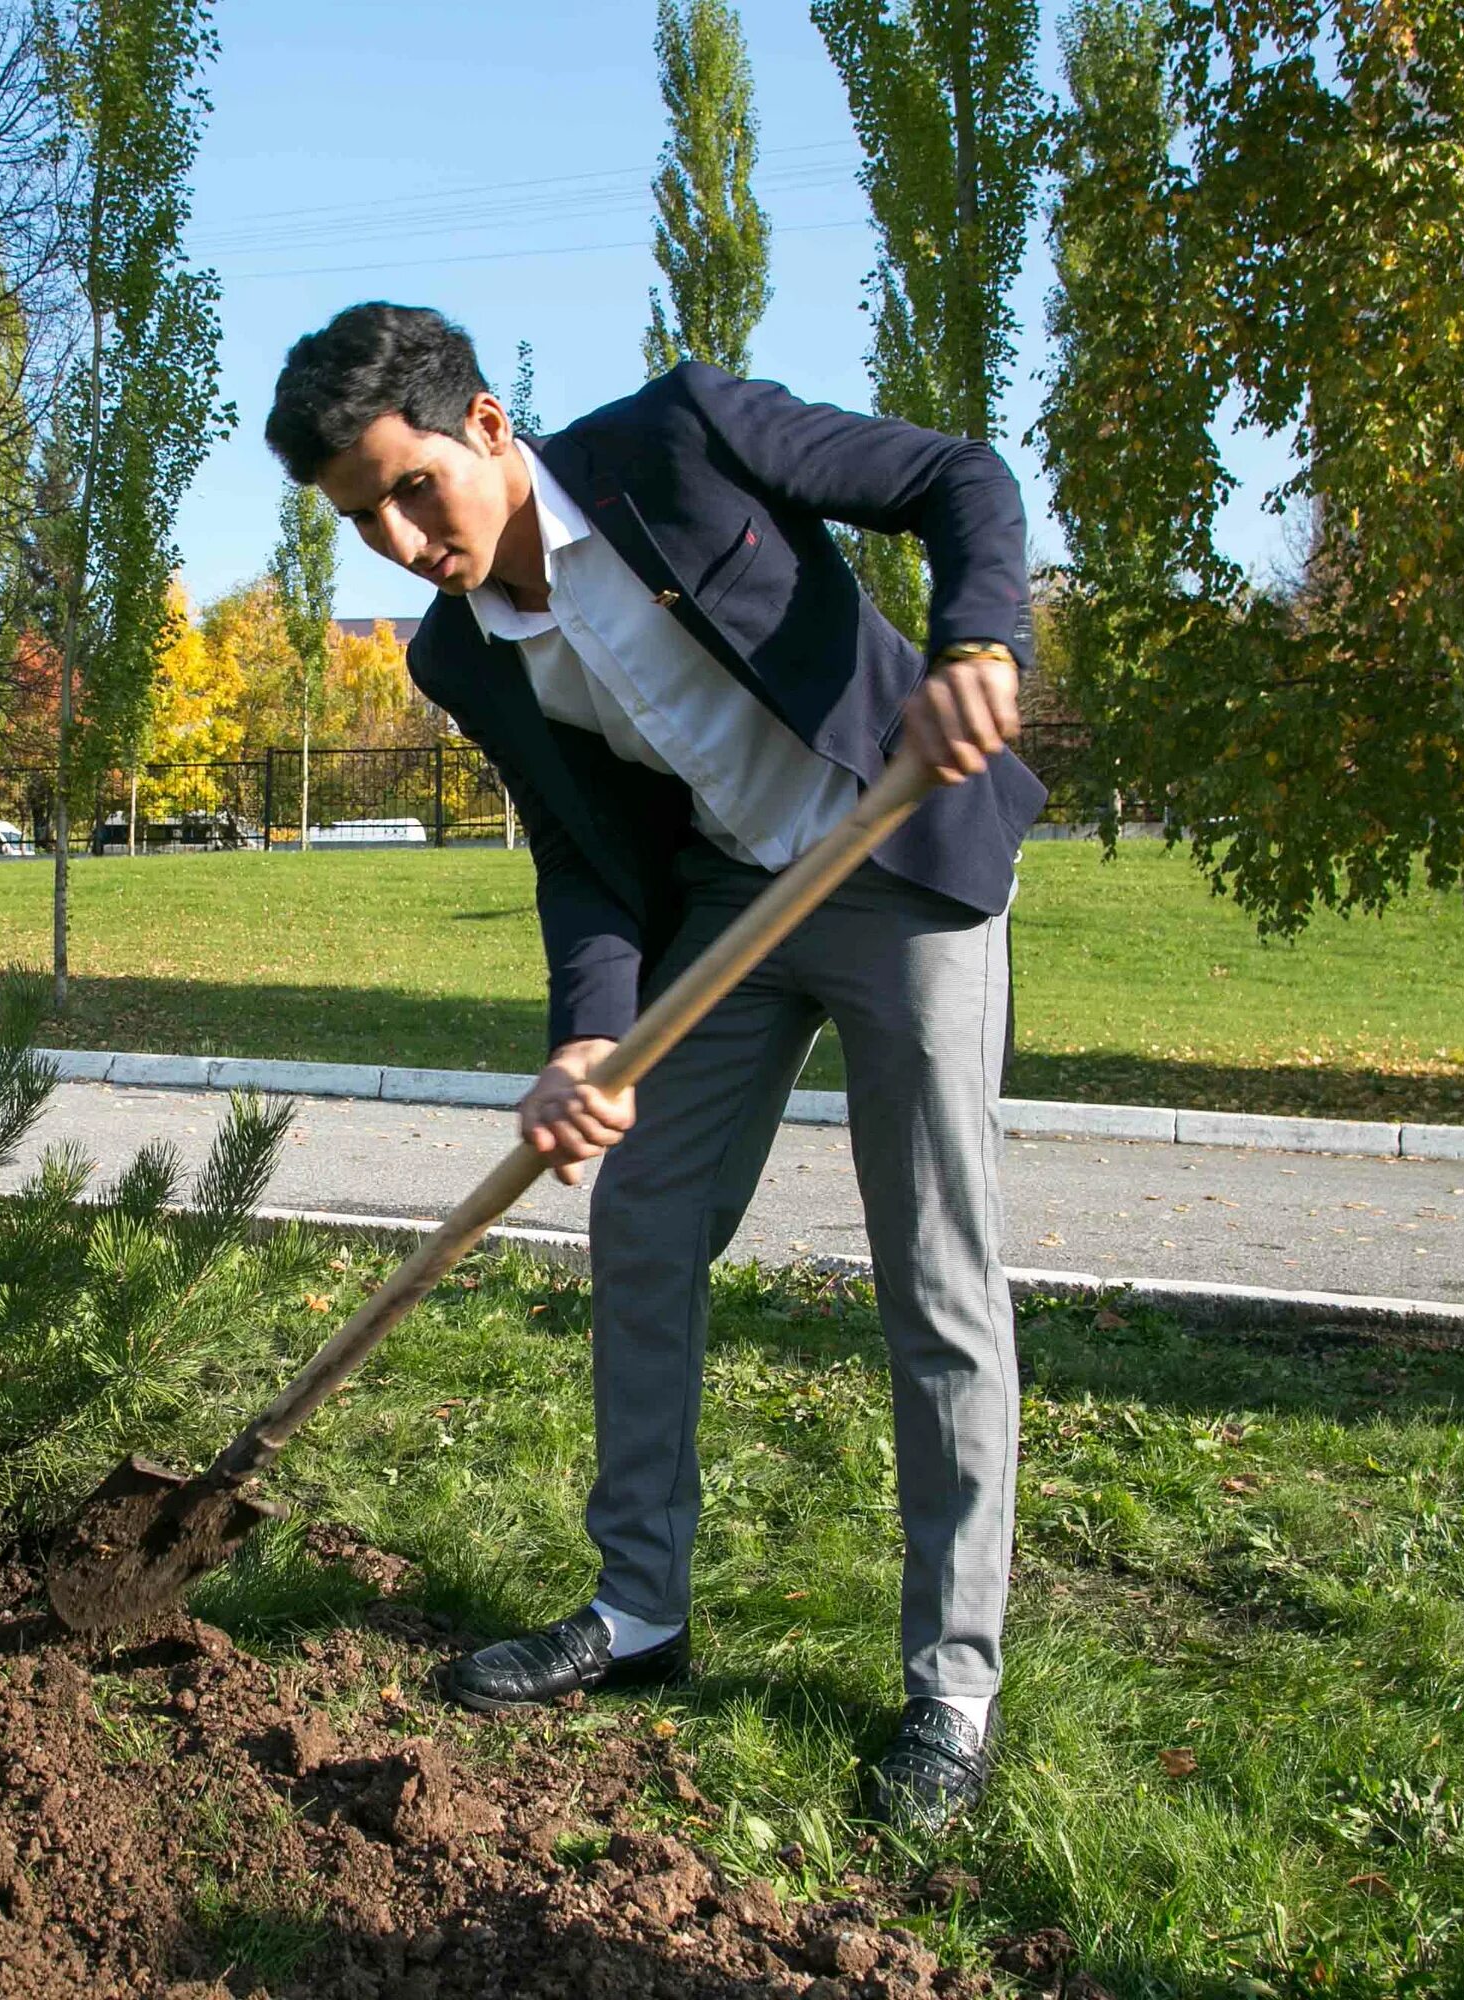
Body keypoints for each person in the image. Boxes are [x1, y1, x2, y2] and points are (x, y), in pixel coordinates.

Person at [265, 305, 1044, 1831]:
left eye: (413, 486)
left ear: (488, 426)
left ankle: (951, 1690)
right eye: (362, 518)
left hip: (902, 850)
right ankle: (638, 1611)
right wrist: (585, 1032)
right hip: (733, 906)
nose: (403, 536)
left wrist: (977, 642)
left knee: (937, 1277)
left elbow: (963, 479)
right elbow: (584, 849)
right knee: (641, 1221)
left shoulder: (678, 437)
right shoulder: (457, 655)